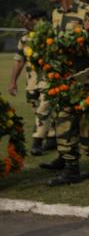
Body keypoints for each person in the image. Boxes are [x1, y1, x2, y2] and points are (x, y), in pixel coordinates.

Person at [43, 0, 89, 184]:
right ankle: (70, 167)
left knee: (86, 123)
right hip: (61, 78)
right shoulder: (55, 13)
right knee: (63, 121)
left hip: (83, 77)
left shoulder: (88, 11)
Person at [8, 9, 56, 156]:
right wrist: (13, 81)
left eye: (29, 19)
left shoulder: (51, 36)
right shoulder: (24, 39)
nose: (26, 22)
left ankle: (37, 142)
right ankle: (52, 137)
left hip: (49, 81)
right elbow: (19, 60)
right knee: (38, 111)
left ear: (39, 20)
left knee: (43, 110)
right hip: (32, 83)